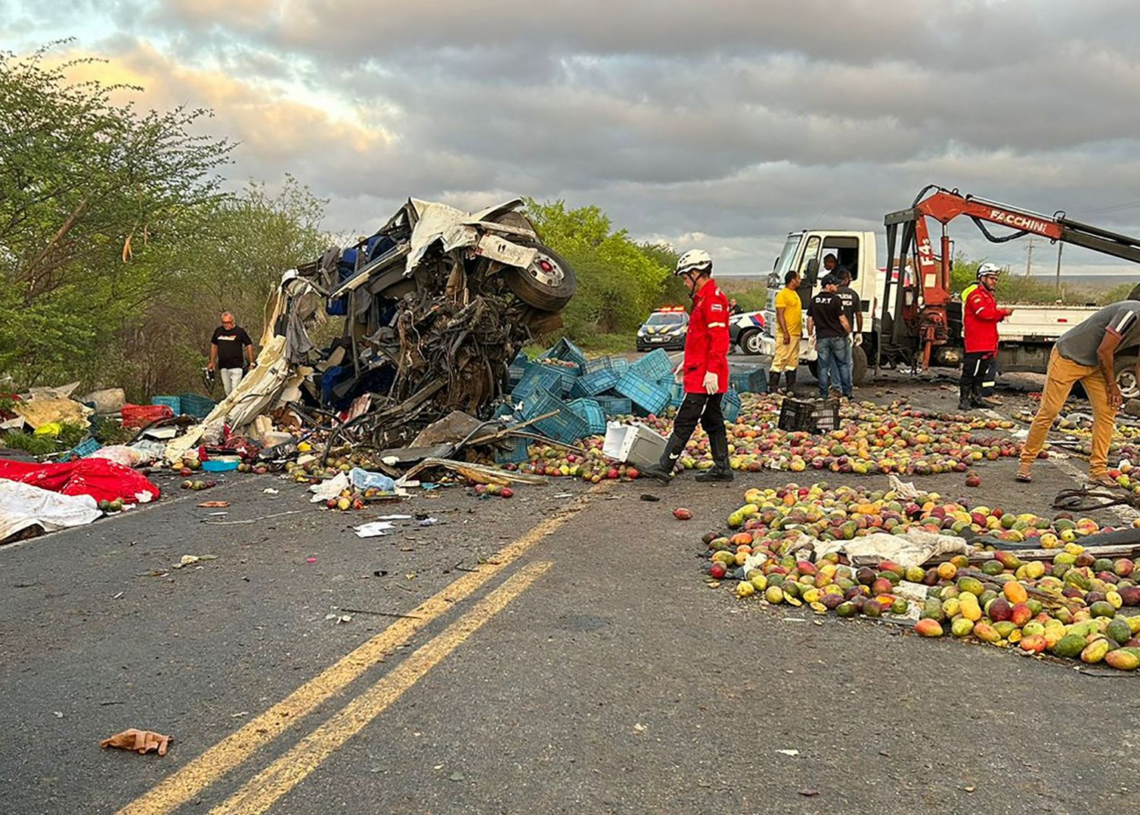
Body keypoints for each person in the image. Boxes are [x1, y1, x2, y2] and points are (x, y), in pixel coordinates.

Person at [1017, 299, 1140, 487]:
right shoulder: (1131, 314)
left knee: (1107, 411)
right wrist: (1112, 385)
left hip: (1095, 365)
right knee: (1050, 410)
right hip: (1069, 356)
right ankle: (1026, 461)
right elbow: (1104, 351)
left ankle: (1098, 471)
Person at [643, 250, 733, 484]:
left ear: (696, 273)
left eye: (685, 277)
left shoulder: (712, 300)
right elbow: (700, 339)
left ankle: (665, 466)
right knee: (712, 420)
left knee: (685, 420)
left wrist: (711, 370)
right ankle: (722, 468)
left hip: (705, 376)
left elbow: (719, 339)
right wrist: (687, 361)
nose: (684, 283)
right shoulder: (703, 299)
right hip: (700, 370)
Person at [960, 263, 1012, 411]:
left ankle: (976, 397)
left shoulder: (988, 296)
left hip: (987, 342)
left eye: (996, 279)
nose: (994, 282)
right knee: (969, 372)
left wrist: (999, 316)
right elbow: (984, 314)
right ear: (982, 278)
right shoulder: (976, 295)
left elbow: (991, 317)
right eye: (991, 278)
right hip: (976, 342)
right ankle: (964, 399)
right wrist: (1003, 312)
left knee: (981, 373)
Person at [807, 275, 852, 399]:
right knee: (843, 365)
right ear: (827, 286)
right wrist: (849, 332)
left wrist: (810, 335)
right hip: (837, 337)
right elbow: (842, 320)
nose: (837, 286)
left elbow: (810, 320)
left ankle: (823, 394)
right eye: (834, 284)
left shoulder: (814, 300)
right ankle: (847, 392)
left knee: (822, 366)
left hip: (822, 337)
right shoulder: (836, 300)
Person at [769, 270, 802, 393]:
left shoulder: (794, 294)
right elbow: (780, 315)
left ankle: (791, 389)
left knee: (792, 361)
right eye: (798, 278)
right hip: (786, 334)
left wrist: (800, 330)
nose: (800, 281)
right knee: (780, 359)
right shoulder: (782, 294)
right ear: (792, 280)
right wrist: (785, 332)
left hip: (795, 333)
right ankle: (773, 389)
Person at [208, 311, 256, 396]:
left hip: (236, 365)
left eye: (228, 322)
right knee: (227, 390)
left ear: (232, 321)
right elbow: (214, 345)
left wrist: (251, 362)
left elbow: (249, 344)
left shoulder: (239, 332)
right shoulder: (218, 331)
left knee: (235, 390)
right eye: (224, 322)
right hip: (223, 366)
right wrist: (212, 361)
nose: (226, 325)